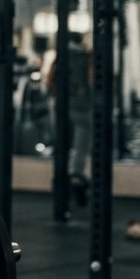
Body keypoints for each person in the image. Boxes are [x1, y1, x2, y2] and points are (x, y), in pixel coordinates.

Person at [46, 32, 92, 205]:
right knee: (81, 142)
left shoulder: (61, 56)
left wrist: (57, 97)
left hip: (61, 105)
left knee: (61, 142)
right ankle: (76, 176)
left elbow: (49, 81)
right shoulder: (85, 56)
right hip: (82, 105)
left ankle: (60, 176)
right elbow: (92, 79)